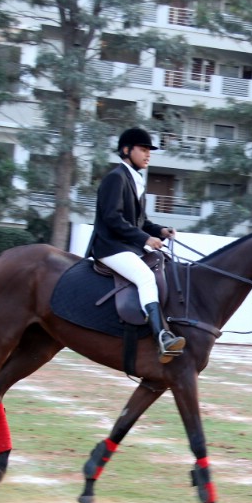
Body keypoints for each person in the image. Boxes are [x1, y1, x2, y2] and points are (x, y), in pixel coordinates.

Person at [89, 127, 184, 363]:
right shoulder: (115, 178)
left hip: (126, 246)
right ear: (126, 150)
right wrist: (144, 239)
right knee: (145, 278)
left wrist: (160, 231)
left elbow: (141, 222)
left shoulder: (135, 180)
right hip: (110, 247)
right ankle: (161, 336)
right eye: (143, 150)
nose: (148, 154)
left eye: (149, 150)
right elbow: (113, 218)